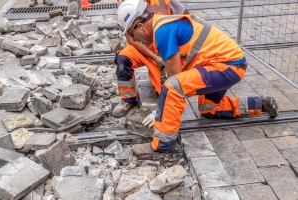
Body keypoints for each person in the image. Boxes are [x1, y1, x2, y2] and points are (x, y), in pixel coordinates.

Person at [117, 0, 279, 154]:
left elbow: (174, 80)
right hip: (231, 64)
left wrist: (159, 112)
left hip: (226, 66)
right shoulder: (162, 24)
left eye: (133, 34)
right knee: (209, 109)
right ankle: (258, 104)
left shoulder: (162, 32)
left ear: (140, 27)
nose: (135, 40)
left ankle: (163, 144)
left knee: (172, 87)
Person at [112, 0, 189, 118]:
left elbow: (186, 18)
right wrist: (154, 57)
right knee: (123, 58)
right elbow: (131, 38)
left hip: (165, 46)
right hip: (143, 45)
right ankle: (127, 99)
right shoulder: (128, 4)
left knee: (167, 89)